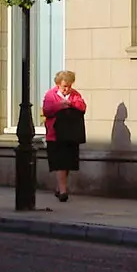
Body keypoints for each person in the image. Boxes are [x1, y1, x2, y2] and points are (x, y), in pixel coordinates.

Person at [41, 69, 87, 202]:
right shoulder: (51, 95)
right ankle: (63, 191)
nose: (67, 89)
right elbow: (46, 110)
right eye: (64, 86)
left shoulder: (75, 94)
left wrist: (71, 103)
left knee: (68, 163)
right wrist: (59, 105)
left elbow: (82, 106)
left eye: (69, 86)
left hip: (71, 133)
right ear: (58, 85)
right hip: (56, 134)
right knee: (60, 162)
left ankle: (60, 187)